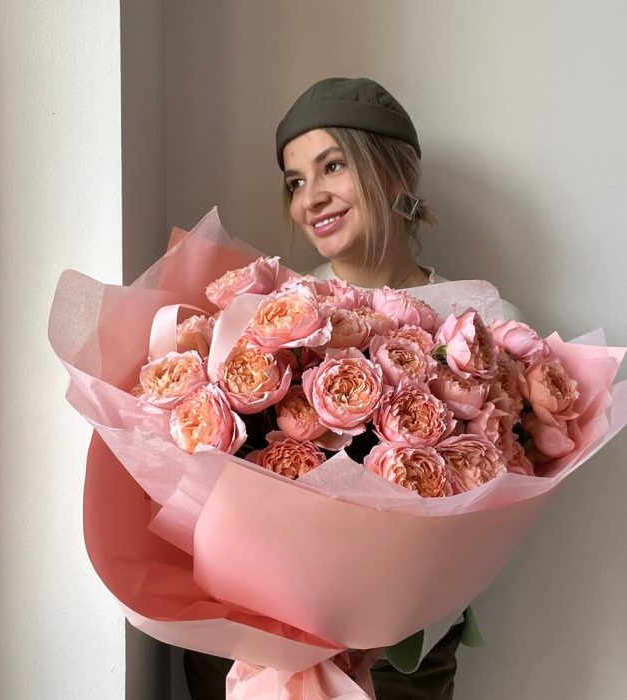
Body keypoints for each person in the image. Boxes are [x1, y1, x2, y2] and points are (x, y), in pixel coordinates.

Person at [184, 76, 519, 699]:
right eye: (295, 181)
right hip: (258, 640)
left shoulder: (483, 326)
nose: (310, 197)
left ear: (393, 174)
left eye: (332, 166)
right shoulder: (274, 313)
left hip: (403, 655)